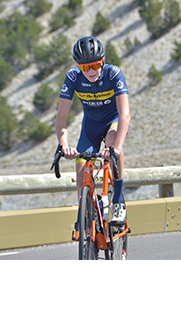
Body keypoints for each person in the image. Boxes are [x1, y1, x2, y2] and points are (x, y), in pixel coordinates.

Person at [54, 36, 131, 225]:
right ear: (78, 66)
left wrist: (117, 148)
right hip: (90, 126)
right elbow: (62, 117)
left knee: (112, 144)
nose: (91, 71)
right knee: (82, 172)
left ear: (102, 61)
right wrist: (64, 146)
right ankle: (88, 208)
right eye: (84, 67)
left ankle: (118, 201)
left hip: (113, 121)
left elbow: (124, 115)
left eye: (95, 65)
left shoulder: (113, 74)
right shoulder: (73, 78)